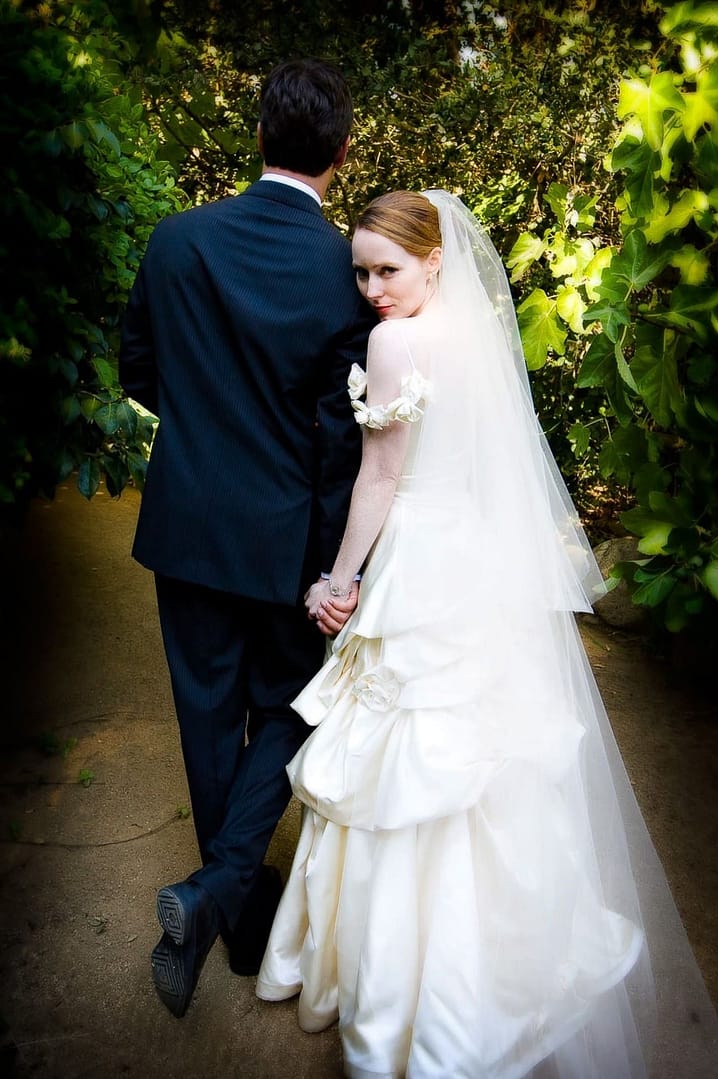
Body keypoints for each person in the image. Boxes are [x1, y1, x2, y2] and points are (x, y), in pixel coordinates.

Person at [255, 191, 718, 1077]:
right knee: (479, 752)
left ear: (434, 260)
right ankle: (495, 960)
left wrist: (340, 579)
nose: (370, 290)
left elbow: (382, 479)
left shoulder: (394, 343)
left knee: (408, 757)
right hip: (477, 561)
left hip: (421, 559)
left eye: (386, 269)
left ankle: (405, 984)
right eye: (359, 272)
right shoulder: (477, 335)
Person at [118, 58, 375, 1019]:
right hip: (285, 541)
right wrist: (334, 562)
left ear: (258, 138)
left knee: (205, 712)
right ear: (341, 156)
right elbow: (339, 431)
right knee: (293, 708)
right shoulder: (345, 270)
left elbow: (138, 364)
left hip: (187, 526)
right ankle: (225, 896)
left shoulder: (176, 239)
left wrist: (201, 435)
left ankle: (219, 906)